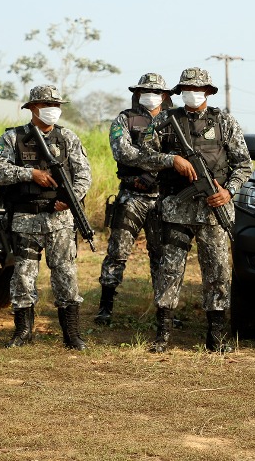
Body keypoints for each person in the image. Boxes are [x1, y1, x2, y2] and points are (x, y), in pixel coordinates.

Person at [135, 67, 252, 353]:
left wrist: (229, 191)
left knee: (218, 271)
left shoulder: (224, 121)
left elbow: (244, 165)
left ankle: (216, 336)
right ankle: (162, 334)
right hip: (176, 209)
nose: (192, 92)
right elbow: (144, 156)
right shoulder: (165, 120)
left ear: (209, 92)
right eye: (187, 87)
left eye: (198, 88)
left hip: (214, 212)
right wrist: (171, 159)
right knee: (170, 270)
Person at [0, 85, 93, 350]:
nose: (54, 110)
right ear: (34, 108)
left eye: (57, 105)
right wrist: (30, 174)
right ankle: (23, 333)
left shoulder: (68, 138)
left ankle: (72, 335)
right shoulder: (13, 138)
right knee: (23, 276)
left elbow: (84, 176)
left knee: (66, 275)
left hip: (60, 220)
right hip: (26, 218)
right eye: (48, 105)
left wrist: (69, 200)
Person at [94, 73, 172, 326]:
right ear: (138, 94)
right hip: (131, 195)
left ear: (165, 95)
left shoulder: (175, 121)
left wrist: (154, 172)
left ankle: (165, 309)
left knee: (162, 255)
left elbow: (182, 156)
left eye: (156, 91)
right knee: (118, 252)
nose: (150, 96)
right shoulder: (125, 119)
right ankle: (105, 307)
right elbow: (122, 151)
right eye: (145, 91)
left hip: (163, 196)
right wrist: (157, 164)